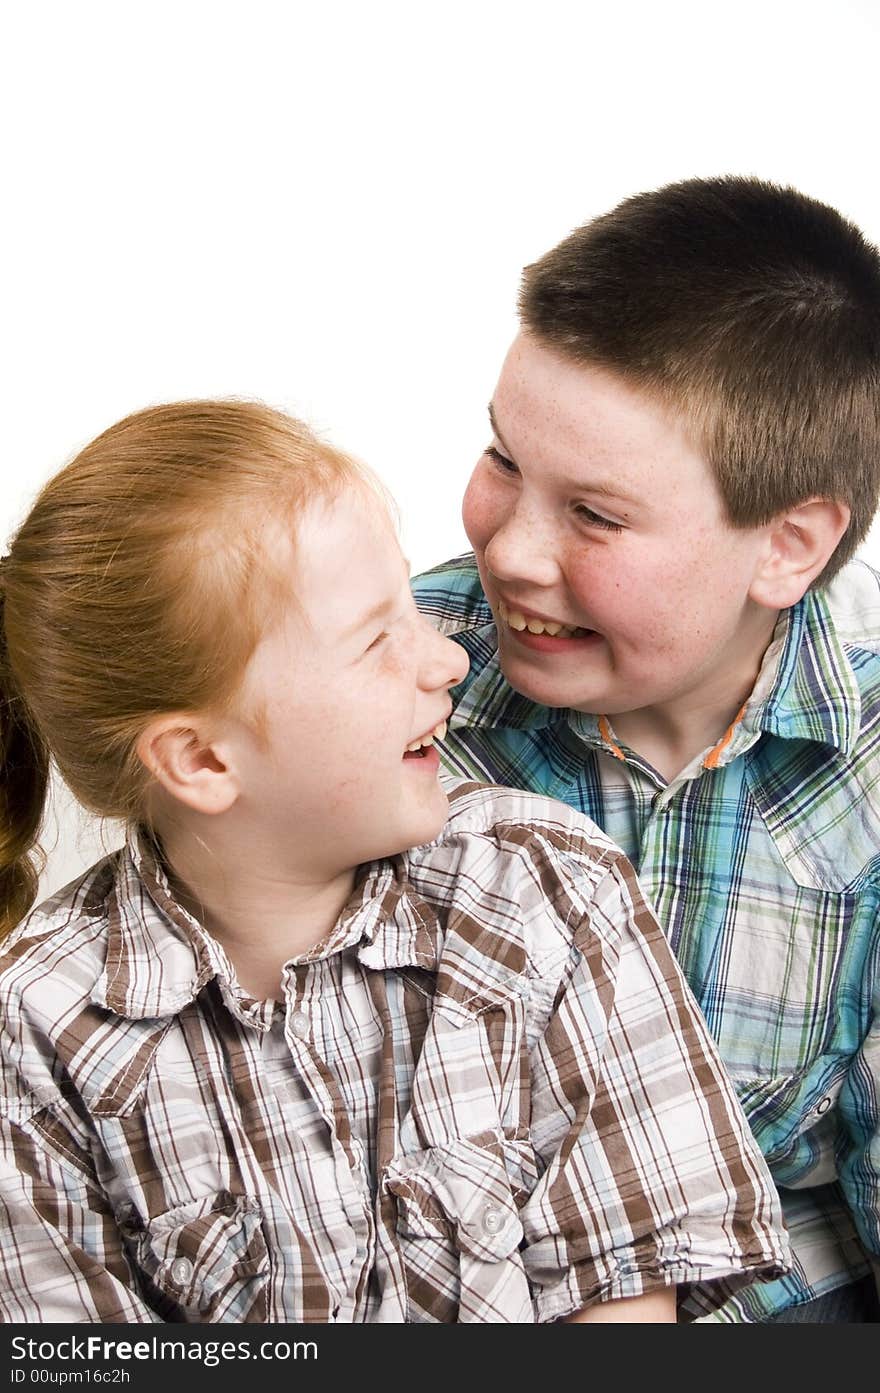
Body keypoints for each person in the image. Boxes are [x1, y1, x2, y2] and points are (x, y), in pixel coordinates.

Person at [0, 401, 786, 1323]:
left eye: (414, 609)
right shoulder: (37, 1034)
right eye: (378, 642)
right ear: (202, 760)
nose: (447, 659)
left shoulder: (544, 885)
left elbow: (626, 1290)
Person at [412, 176, 880, 1323]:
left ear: (787, 546)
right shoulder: (402, 695)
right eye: (504, 459)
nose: (512, 552)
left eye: (596, 515)